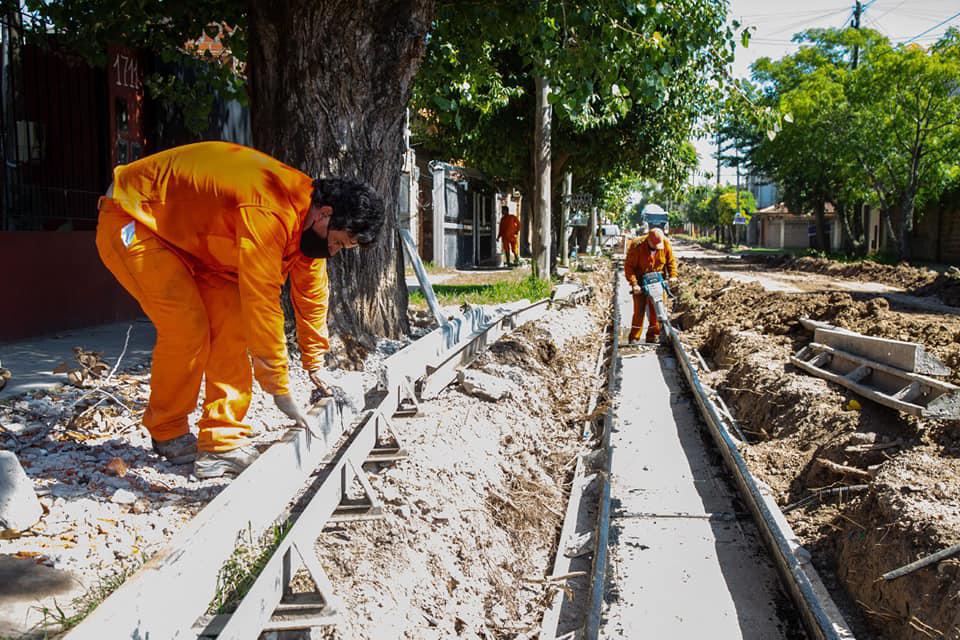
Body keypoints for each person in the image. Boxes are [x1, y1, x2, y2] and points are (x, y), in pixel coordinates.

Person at [95, 141, 385, 479]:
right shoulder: (270, 209)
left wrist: (314, 362)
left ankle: (221, 444)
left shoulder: (306, 224)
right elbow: (261, 299)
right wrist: (278, 387)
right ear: (325, 213)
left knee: (232, 323)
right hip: (133, 218)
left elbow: (312, 294)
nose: (333, 252)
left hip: (196, 242)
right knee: (187, 326)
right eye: (337, 242)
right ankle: (168, 429)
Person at [624, 227, 678, 344]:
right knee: (639, 311)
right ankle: (634, 338)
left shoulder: (665, 243)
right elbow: (629, 267)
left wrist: (673, 275)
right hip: (640, 282)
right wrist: (634, 284)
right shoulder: (636, 245)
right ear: (648, 240)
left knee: (657, 310)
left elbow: (671, 261)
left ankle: (653, 336)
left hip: (658, 281)